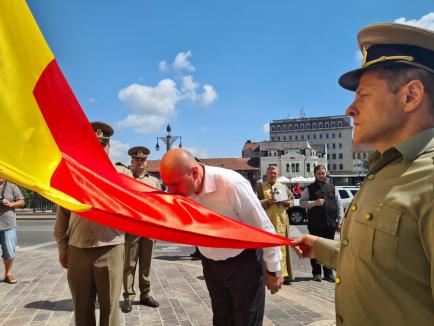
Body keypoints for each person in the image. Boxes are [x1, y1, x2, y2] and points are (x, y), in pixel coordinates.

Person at [294, 23, 434, 325]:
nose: (350, 109)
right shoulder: (384, 170)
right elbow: (382, 264)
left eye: (364, 96)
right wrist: (319, 247)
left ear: (411, 96)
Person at [160, 148, 283, 326]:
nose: (170, 192)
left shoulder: (232, 184)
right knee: (222, 320)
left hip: (244, 264)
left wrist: (273, 270)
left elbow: (263, 228)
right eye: (167, 185)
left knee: (247, 321)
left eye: (175, 184)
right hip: (211, 265)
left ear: (194, 172)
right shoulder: (183, 190)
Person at [54, 121, 124, 326]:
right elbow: (62, 214)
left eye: (102, 145)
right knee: (82, 308)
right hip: (78, 249)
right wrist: (62, 246)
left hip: (110, 248)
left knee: (110, 309)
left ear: (109, 146)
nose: (98, 149)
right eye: (93, 144)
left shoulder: (120, 176)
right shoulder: (71, 174)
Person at [119, 146, 161, 313]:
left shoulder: (154, 181)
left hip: (150, 227)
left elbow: (160, 204)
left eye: (143, 159)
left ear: (147, 162)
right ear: (132, 162)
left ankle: (145, 294)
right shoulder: (126, 179)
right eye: (137, 159)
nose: (140, 162)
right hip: (132, 226)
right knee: (129, 263)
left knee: (146, 263)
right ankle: (128, 296)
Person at [299, 165, 343, 282]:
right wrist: (314, 203)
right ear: (315, 174)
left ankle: (328, 274)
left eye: (323, 173)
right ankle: (316, 273)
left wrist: (339, 221)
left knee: (329, 249)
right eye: (319, 173)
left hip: (330, 224)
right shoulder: (309, 189)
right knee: (314, 248)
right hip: (315, 224)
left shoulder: (333, 188)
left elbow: (339, 205)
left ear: (326, 174)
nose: (321, 175)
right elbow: (302, 203)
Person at [256, 164, 294, 285]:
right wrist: (267, 201)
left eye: (275, 173)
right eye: (271, 173)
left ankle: (283, 274)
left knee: (282, 246)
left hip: (282, 220)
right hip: (267, 221)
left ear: (277, 174)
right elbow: (254, 203)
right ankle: (268, 274)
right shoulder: (260, 187)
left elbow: (292, 201)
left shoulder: (282, 186)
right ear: (267, 173)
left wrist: (288, 202)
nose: (273, 175)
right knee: (267, 248)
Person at [0, 178, 24, 284]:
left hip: (8, 224)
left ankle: (8, 274)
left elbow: (22, 201)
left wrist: (11, 204)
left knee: (9, 252)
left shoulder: (12, 186)